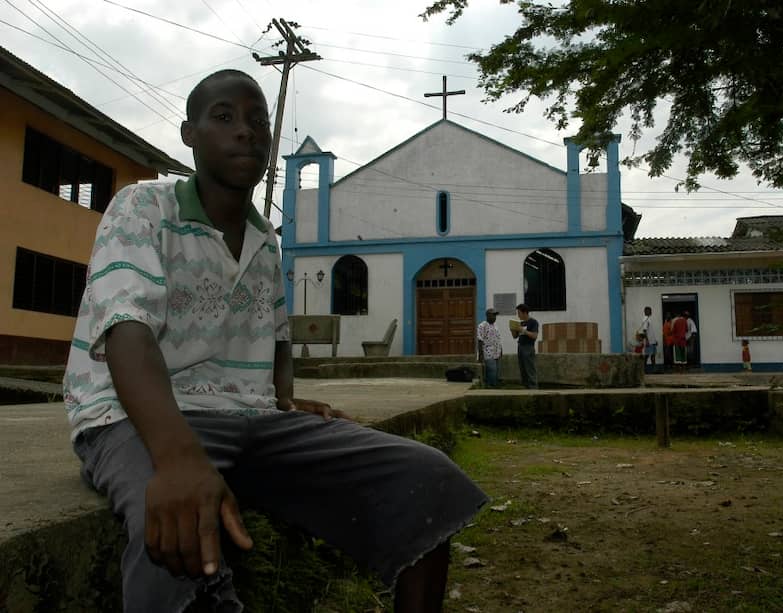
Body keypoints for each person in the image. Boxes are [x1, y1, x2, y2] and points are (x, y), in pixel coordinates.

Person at [63, 69, 487, 613]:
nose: (246, 131)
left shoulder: (265, 241)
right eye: (223, 117)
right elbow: (128, 332)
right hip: (135, 417)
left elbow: (276, 334)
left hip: (250, 418)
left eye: (258, 121)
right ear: (189, 133)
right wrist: (178, 459)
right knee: (174, 527)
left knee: (429, 480)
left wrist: (282, 399)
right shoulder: (143, 209)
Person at [511, 303, 539, 389]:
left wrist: (523, 330)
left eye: (519, 313)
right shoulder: (521, 323)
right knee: (522, 369)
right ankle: (526, 387)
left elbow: (534, 336)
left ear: (525, 313)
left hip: (528, 347)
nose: (518, 315)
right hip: (520, 346)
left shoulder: (533, 322)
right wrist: (512, 330)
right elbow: (515, 336)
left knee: (529, 369)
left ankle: (533, 387)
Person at [476, 307, 502, 387]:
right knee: (492, 372)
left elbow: (498, 339)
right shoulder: (482, 326)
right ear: (487, 315)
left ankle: (492, 387)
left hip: (496, 353)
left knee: (496, 373)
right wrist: (480, 357)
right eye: (493, 315)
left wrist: (501, 351)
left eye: (495, 315)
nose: (494, 317)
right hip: (488, 354)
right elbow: (480, 341)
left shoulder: (495, 326)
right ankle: (491, 388)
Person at [639, 306, 658, 372]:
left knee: (652, 355)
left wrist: (655, 340)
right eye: (649, 311)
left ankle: (654, 369)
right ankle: (643, 370)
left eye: (650, 310)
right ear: (645, 312)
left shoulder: (649, 319)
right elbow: (644, 330)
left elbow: (650, 331)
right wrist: (647, 341)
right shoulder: (645, 319)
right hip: (649, 341)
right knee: (647, 356)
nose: (650, 312)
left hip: (652, 341)